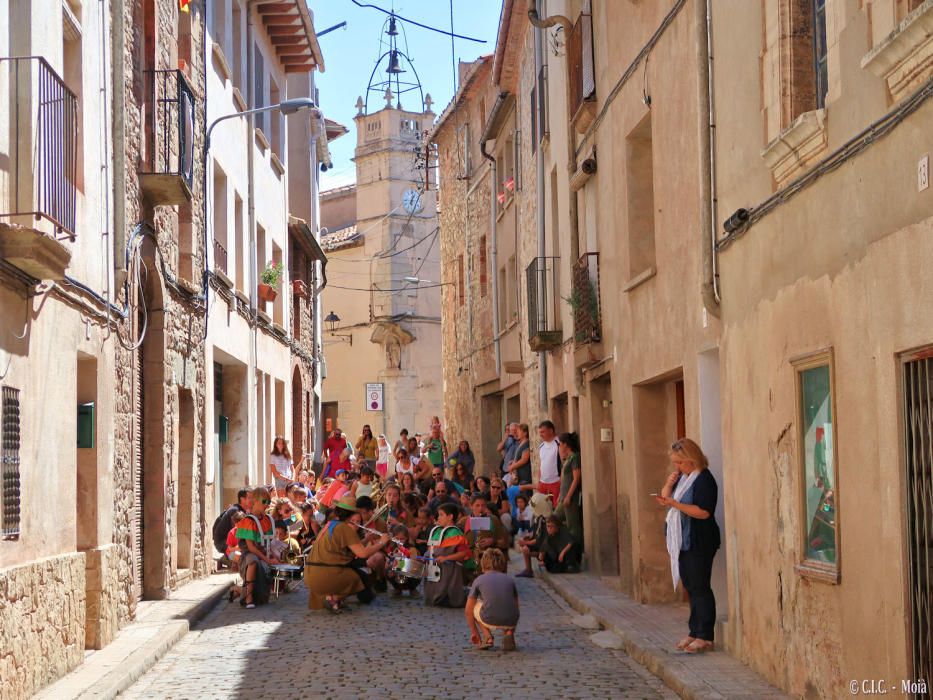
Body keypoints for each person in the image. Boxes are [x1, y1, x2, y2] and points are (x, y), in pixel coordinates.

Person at [655, 438, 720, 654]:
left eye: (680, 463)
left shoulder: (704, 480)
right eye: (675, 463)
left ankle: (705, 635)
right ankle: (694, 630)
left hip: (700, 540)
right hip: (683, 540)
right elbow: (667, 498)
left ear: (691, 460)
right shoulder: (684, 479)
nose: (677, 467)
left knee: (701, 587)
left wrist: (675, 504)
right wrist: (668, 485)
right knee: (690, 587)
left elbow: (703, 512)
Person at [304, 494, 392, 613]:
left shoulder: (331, 524)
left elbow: (348, 547)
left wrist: (366, 539)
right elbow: (362, 553)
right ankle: (333, 599)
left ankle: (334, 600)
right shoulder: (344, 528)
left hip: (310, 574)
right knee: (357, 578)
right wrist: (382, 541)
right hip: (323, 574)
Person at [465, 548, 520, 651]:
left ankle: (487, 637)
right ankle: (509, 633)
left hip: (488, 618)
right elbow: (516, 605)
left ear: (483, 565)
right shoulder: (510, 580)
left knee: (474, 605)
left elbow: (468, 611)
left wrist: (474, 632)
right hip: (511, 620)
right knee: (509, 606)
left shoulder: (479, 580)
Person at [236, 487, 279, 608]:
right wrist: (268, 560)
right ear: (255, 501)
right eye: (264, 502)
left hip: (262, 552)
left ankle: (236, 590)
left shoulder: (267, 520)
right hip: (248, 554)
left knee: (261, 598)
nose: (267, 505)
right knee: (253, 561)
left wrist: (275, 557)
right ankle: (248, 598)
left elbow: (268, 543)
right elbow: (251, 547)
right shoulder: (247, 521)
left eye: (268, 502)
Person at [423, 503, 471, 607]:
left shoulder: (455, 533)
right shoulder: (436, 531)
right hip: (434, 570)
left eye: (441, 514)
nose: (438, 517)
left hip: (449, 572)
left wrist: (446, 558)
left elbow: (463, 553)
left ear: (450, 517)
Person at [461, 493, 510, 578]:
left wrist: (493, 541)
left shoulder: (493, 520)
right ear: (471, 506)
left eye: (483, 505)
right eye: (477, 505)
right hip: (469, 562)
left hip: (489, 564)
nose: (480, 508)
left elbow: (504, 542)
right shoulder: (463, 522)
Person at [555, 432, 583, 546]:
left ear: (566, 444)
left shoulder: (574, 457)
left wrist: (568, 496)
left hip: (570, 497)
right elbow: (563, 479)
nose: (559, 447)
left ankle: (576, 550)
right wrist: (559, 496)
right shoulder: (567, 459)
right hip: (563, 496)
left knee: (573, 526)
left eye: (560, 444)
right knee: (554, 518)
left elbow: (576, 478)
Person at [385, 524, 421, 597]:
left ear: (407, 538)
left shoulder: (411, 549)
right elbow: (388, 562)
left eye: (402, 539)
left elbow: (413, 564)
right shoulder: (393, 548)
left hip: (409, 573)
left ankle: (412, 589)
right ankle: (397, 588)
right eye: (397, 539)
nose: (399, 541)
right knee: (387, 569)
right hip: (397, 573)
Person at [213, 489, 252, 554]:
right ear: (242, 499)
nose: (252, 500)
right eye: (249, 498)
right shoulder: (235, 511)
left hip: (230, 541)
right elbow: (237, 533)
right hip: (222, 543)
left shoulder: (242, 510)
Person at [506, 424, 533, 512]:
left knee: (525, 501)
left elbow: (524, 459)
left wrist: (513, 466)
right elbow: (518, 458)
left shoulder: (526, 443)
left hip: (525, 476)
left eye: (519, 431)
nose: (517, 433)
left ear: (525, 433)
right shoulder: (521, 444)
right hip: (520, 477)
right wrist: (512, 463)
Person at [537, 421, 561, 504]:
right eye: (540, 432)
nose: (540, 434)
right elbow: (540, 464)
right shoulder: (541, 446)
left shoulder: (559, 444)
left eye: (543, 432)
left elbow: (563, 463)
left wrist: (561, 480)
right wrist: (539, 481)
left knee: (556, 507)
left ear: (551, 431)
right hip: (543, 483)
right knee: (543, 507)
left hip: (556, 482)